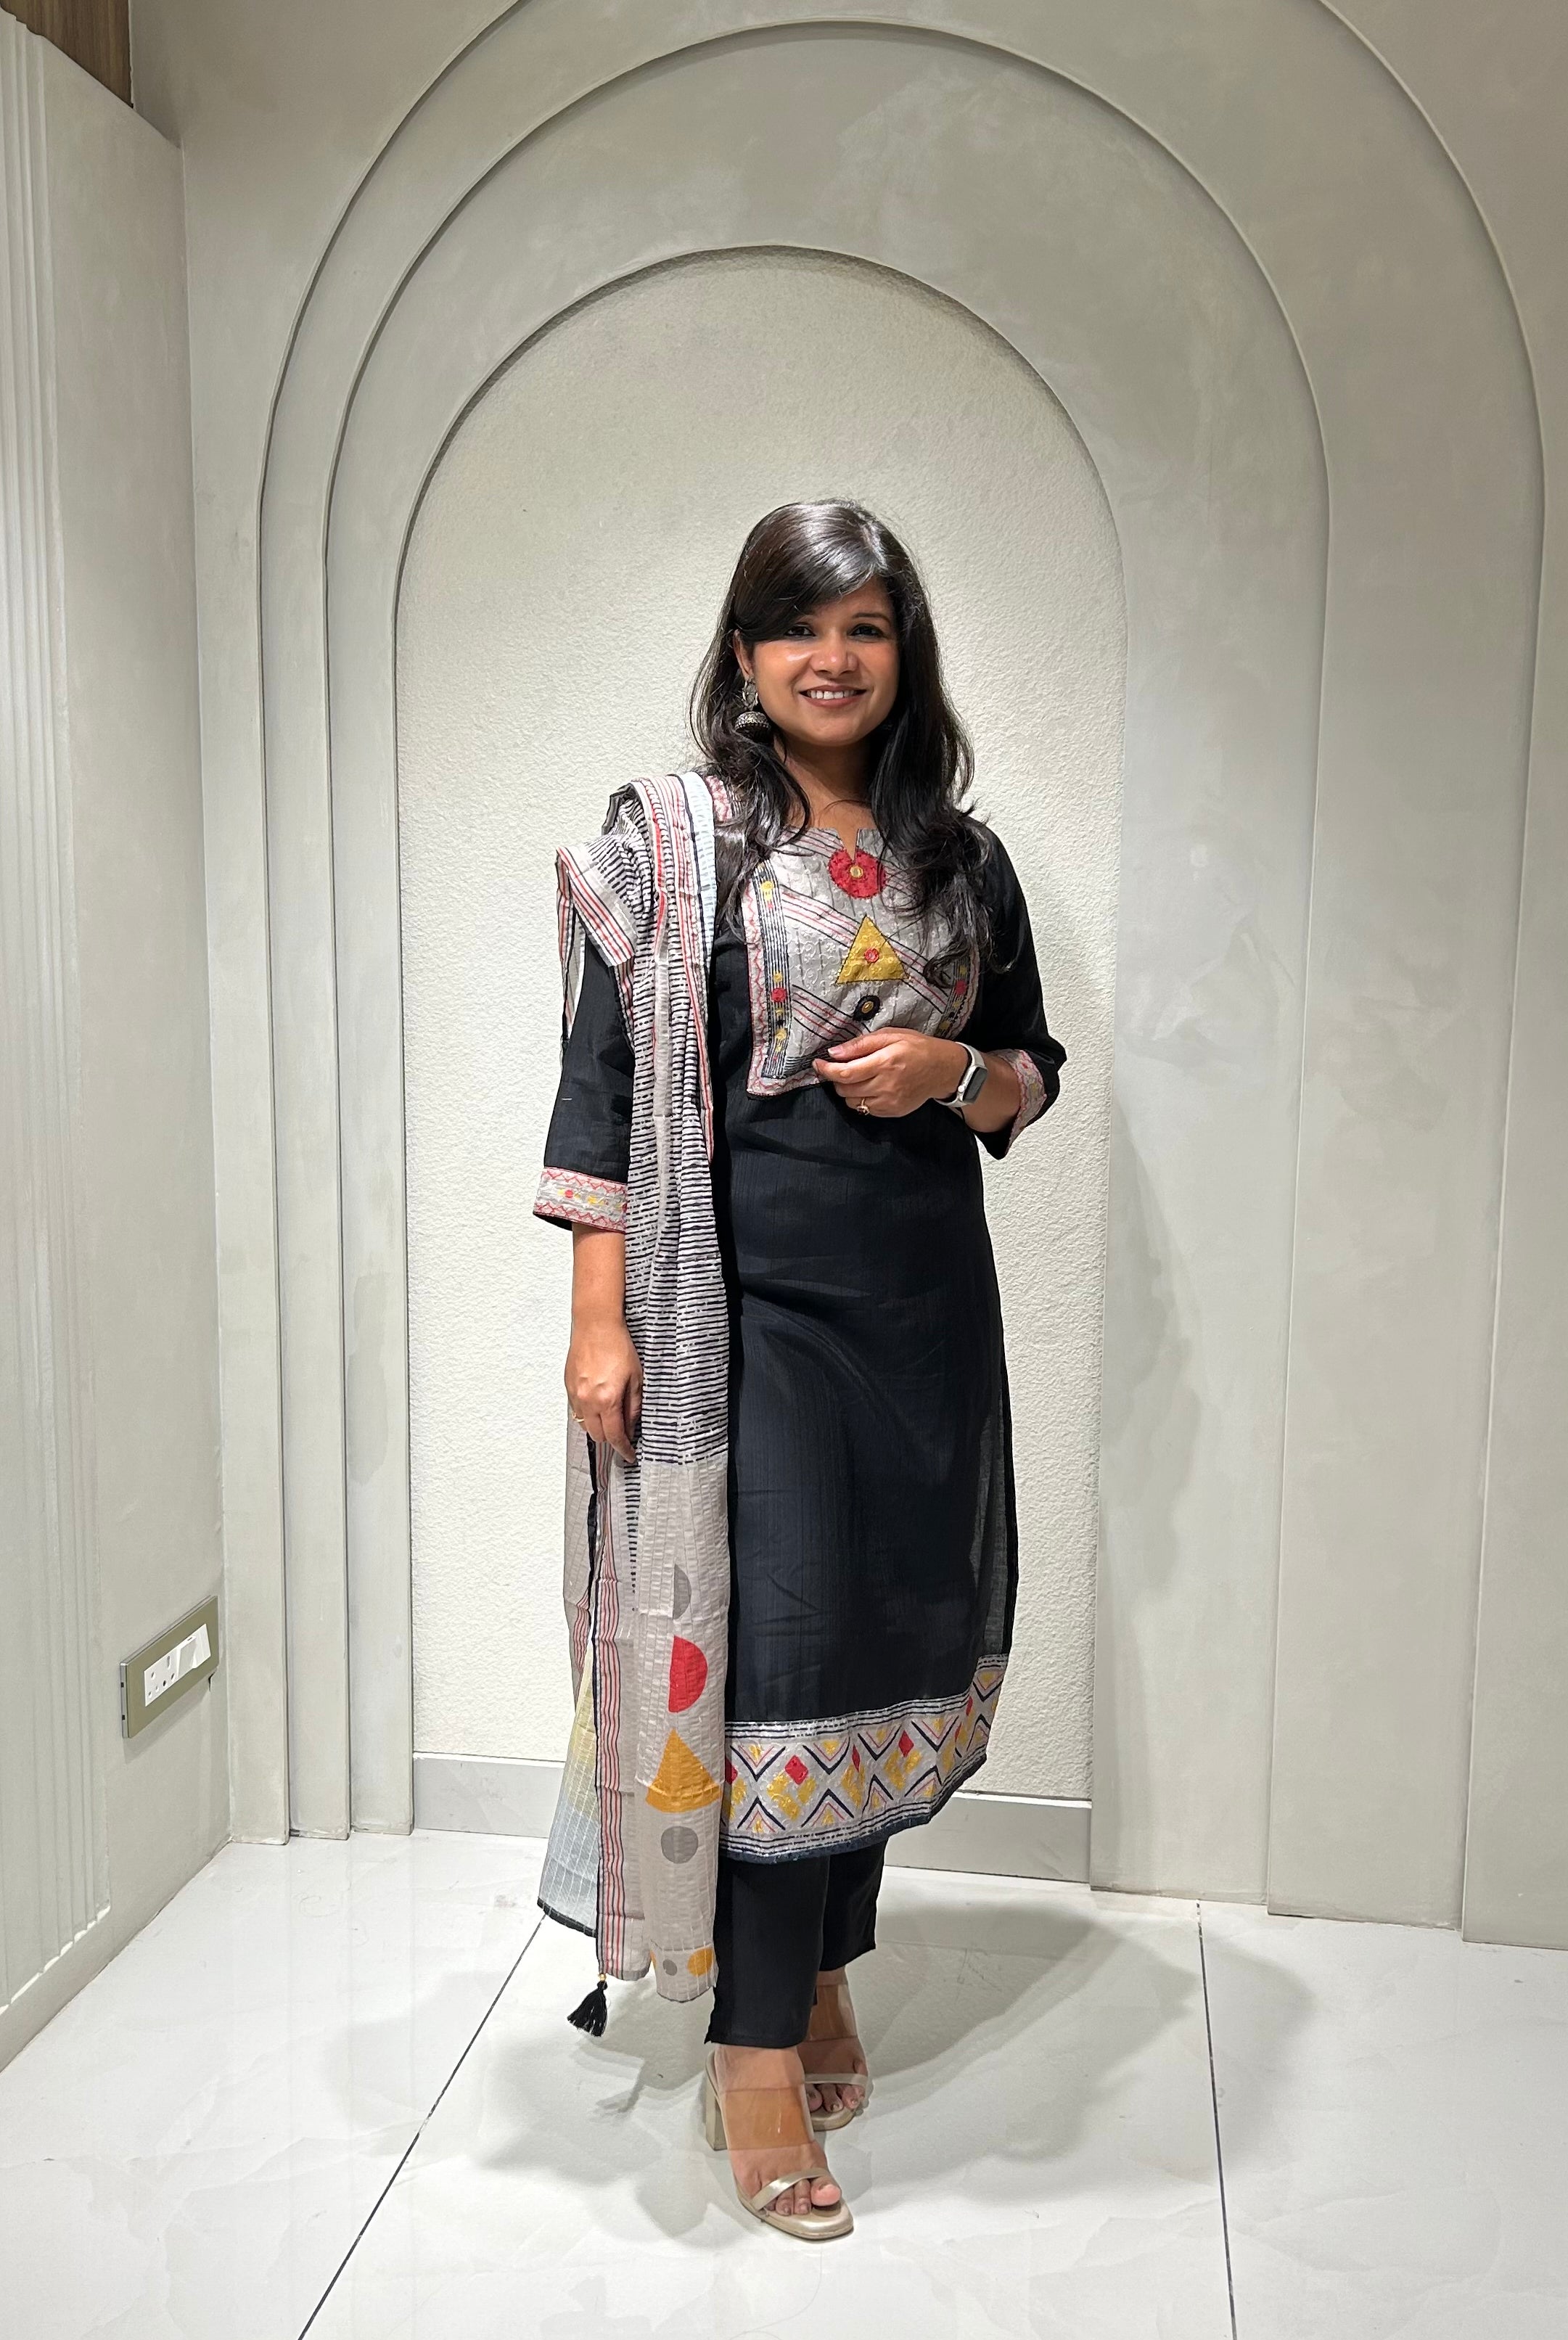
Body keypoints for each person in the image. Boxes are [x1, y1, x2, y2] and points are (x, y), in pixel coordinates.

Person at [535, 499, 1065, 2240]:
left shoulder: (960, 859)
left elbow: (1031, 1067)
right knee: (769, 1663)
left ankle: (830, 1960)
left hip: (920, 1313)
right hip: (739, 1317)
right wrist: (598, 1317)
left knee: (879, 1648)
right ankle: (752, 2050)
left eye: (865, 627)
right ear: (746, 653)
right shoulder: (676, 841)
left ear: (904, 654)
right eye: (797, 627)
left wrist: (951, 1075)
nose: (830, 658)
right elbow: (600, 1091)